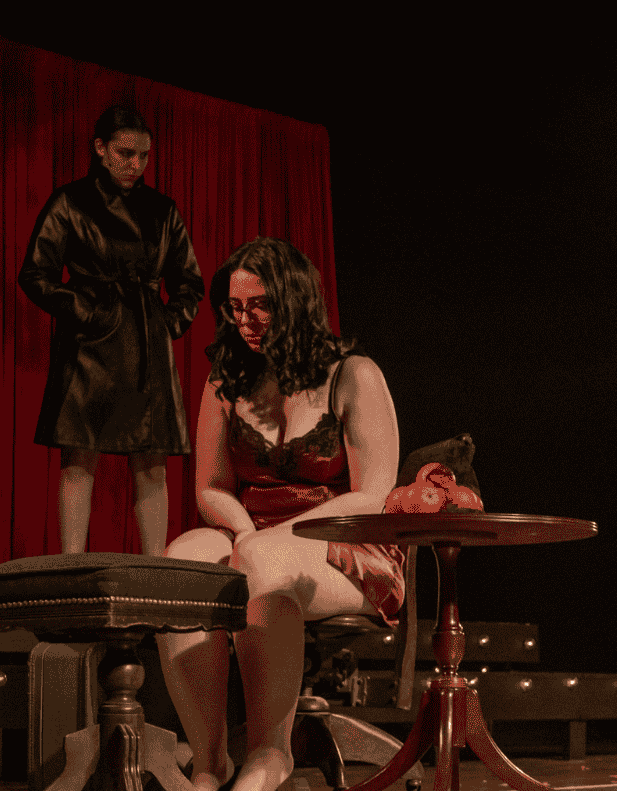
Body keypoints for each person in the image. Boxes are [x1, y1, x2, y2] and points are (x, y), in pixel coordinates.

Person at [157, 237, 482, 791]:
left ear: (295, 300)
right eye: (235, 309)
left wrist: (268, 539)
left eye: (258, 306)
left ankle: (269, 751)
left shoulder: (353, 374)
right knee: (181, 561)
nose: (245, 321)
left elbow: (372, 494)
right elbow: (210, 487)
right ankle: (210, 762)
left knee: (262, 560)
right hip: (251, 533)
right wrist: (240, 531)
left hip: (348, 543)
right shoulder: (227, 379)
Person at [18, 104, 204, 555]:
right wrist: (83, 309)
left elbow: (190, 282)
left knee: (152, 459)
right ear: (100, 148)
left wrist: (167, 323)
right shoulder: (70, 201)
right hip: (88, 345)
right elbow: (35, 274)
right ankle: (71, 566)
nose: (135, 164)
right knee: (78, 457)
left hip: (145, 339)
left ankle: (156, 568)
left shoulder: (163, 210)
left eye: (143, 156)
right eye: (125, 153)